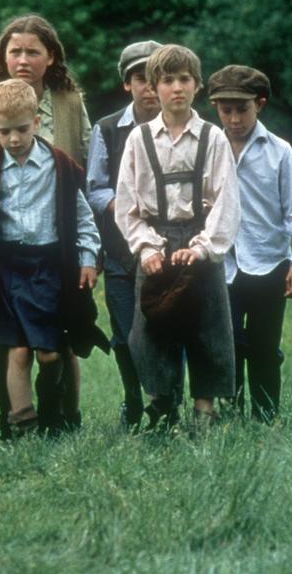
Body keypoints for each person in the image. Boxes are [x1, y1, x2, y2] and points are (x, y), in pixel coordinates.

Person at [0, 79, 102, 436]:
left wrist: (87, 258)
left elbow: (82, 217)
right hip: (6, 269)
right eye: (5, 131)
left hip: (50, 268)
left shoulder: (59, 165)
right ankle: (22, 423)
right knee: (17, 350)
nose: (14, 139)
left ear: (36, 121)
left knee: (51, 354)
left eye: (21, 129)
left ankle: (54, 411)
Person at [114, 44, 240, 430]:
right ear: (154, 87)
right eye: (168, 80)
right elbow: (127, 204)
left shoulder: (213, 138)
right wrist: (146, 248)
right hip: (157, 242)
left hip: (201, 242)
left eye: (185, 79)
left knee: (208, 325)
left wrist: (204, 248)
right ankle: (162, 406)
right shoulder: (139, 140)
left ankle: (206, 410)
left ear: (197, 85)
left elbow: (226, 201)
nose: (177, 88)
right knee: (152, 328)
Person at [0, 14, 92, 438]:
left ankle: (64, 417)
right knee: (11, 339)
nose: (23, 60)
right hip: (8, 238)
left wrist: (87, 242)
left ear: (50, 57)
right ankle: (13, 419)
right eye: (15, 51)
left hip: (59, 236)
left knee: (62, 332)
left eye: (33, 51)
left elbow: (86, 155)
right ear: (3, 56)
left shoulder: (68, 101)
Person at [208, 65, 292, 422]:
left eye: (242, 109)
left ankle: (266, 417)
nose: (234, 119)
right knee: (225, 344)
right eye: (226, 110)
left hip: (269, 262)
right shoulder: (208, 148)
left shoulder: (279, 151)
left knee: (265, 346)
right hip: (221, 265)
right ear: (215, 108)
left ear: (260, 104)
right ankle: (229, 415)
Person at [86, 40, 162, 429]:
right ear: (127, 84)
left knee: (165, 328)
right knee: (124, 331)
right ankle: (132, 399)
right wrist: (126, 208)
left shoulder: (182, 126)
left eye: (156, 77)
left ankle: (164, 404)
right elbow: (95, 188)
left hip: (168, 248)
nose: (150, 87)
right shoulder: (107, 129)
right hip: (120, 249)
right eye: (140, 78)